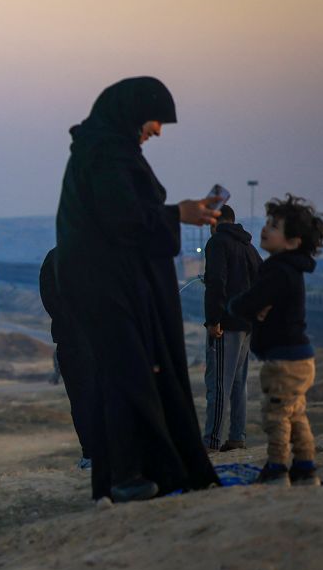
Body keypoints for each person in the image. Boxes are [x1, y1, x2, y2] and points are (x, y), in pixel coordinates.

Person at [55, 76, 220, 502]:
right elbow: (123, 220)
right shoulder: (108, 153)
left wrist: (173, 215)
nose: (157, 131)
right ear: (131, 114)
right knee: (132, 377)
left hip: (109, 283)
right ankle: (131, 475)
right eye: (154, 120)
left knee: (131, 374)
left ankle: (132, 474)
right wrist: (177, 215)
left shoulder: (103, 148)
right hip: (112, 286)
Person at [229, 194, 323, 487]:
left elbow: (250, 301)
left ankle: (277, 468)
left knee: (276, 416)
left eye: (274, 226)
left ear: (292, 242)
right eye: (267, 222)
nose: (265, 229)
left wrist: (235, 307)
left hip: (283, 359)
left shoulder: (277, 271)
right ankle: (306, 468)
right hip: (300, 357)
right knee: (296, 414)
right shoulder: (291, 271)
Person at [201, 204, 263, 452]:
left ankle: (212, 441)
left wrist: (213, 320)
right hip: (246, 324)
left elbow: (216, 282)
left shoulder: (218, 243)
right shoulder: (248, 246)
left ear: (215, 222)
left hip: (226, 324)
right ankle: (237, 437)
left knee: (218, 383)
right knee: (238, 383)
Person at [39, 248, 96, 469]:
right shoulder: (103, 253)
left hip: (70, 339)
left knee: (81, 399)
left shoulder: (54, 257)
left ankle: (90, 454)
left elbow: (49, 297)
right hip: (100, 338)